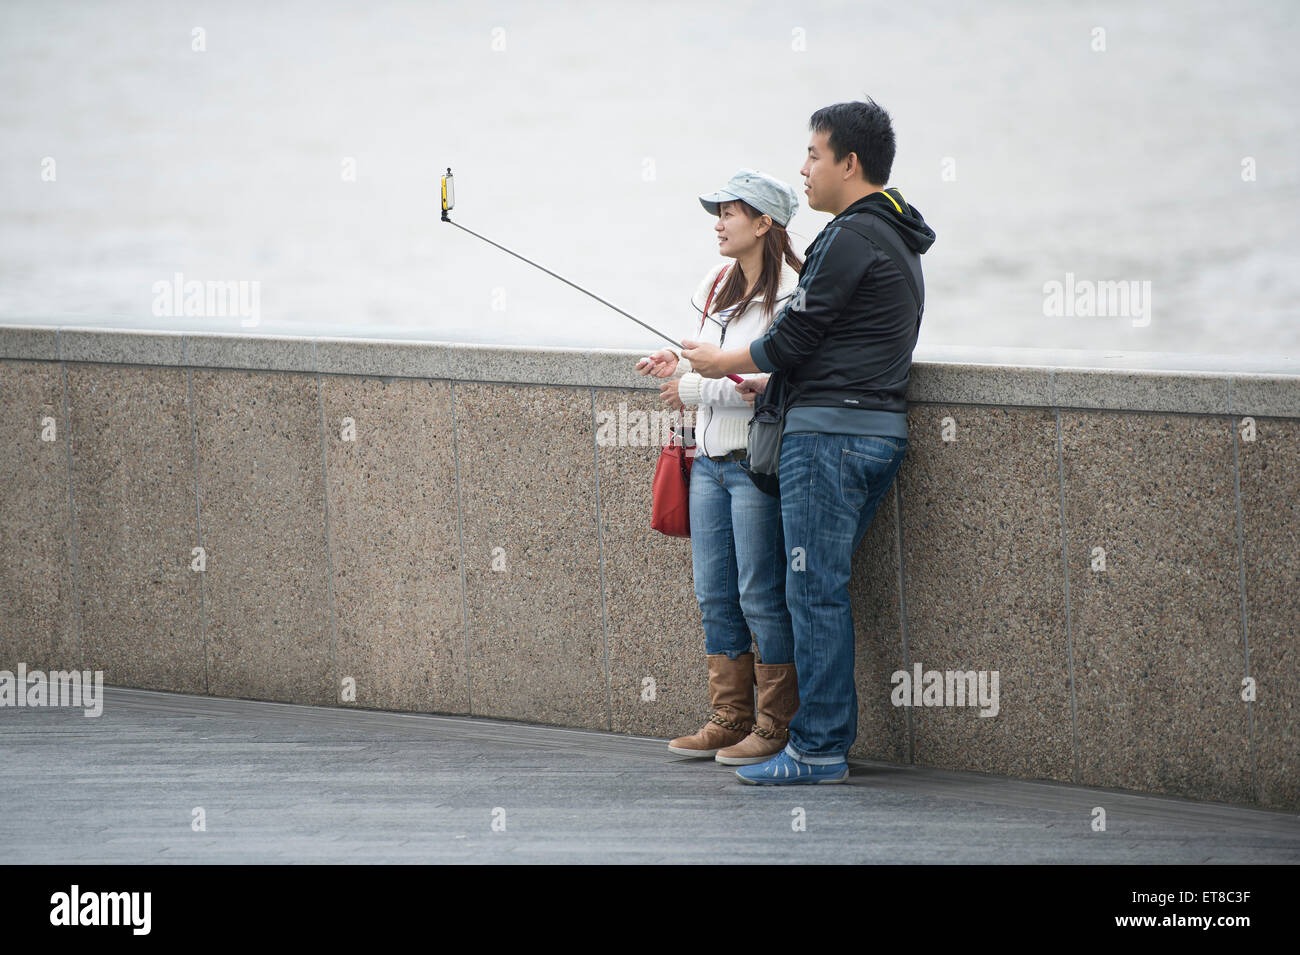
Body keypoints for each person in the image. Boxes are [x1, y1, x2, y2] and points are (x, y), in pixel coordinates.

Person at [681, 99, 936, 784]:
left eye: (815, 155)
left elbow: (795, 338)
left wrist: (722, 362)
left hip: (831, 439)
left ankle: (818, 747)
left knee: (812, 591)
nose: (804, 168)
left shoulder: (851, 235)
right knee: (816, 586)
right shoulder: (895, 235)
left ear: (849, 163)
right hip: (868, 428)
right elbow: (838, 342)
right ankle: (809, 736)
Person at [635, 169, 805, 765]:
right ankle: (729, 718)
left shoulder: (795, 290)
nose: (719, 222)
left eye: (731, 212)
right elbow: (708, 355)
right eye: (718, 212)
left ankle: (775, 725)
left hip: (756, 467)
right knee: (714, 594)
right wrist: (675, 357)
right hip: (707, 464)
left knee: (762, 595)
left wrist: (692, 387)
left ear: (765, 223)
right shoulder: (715, 282)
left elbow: (771, 384)